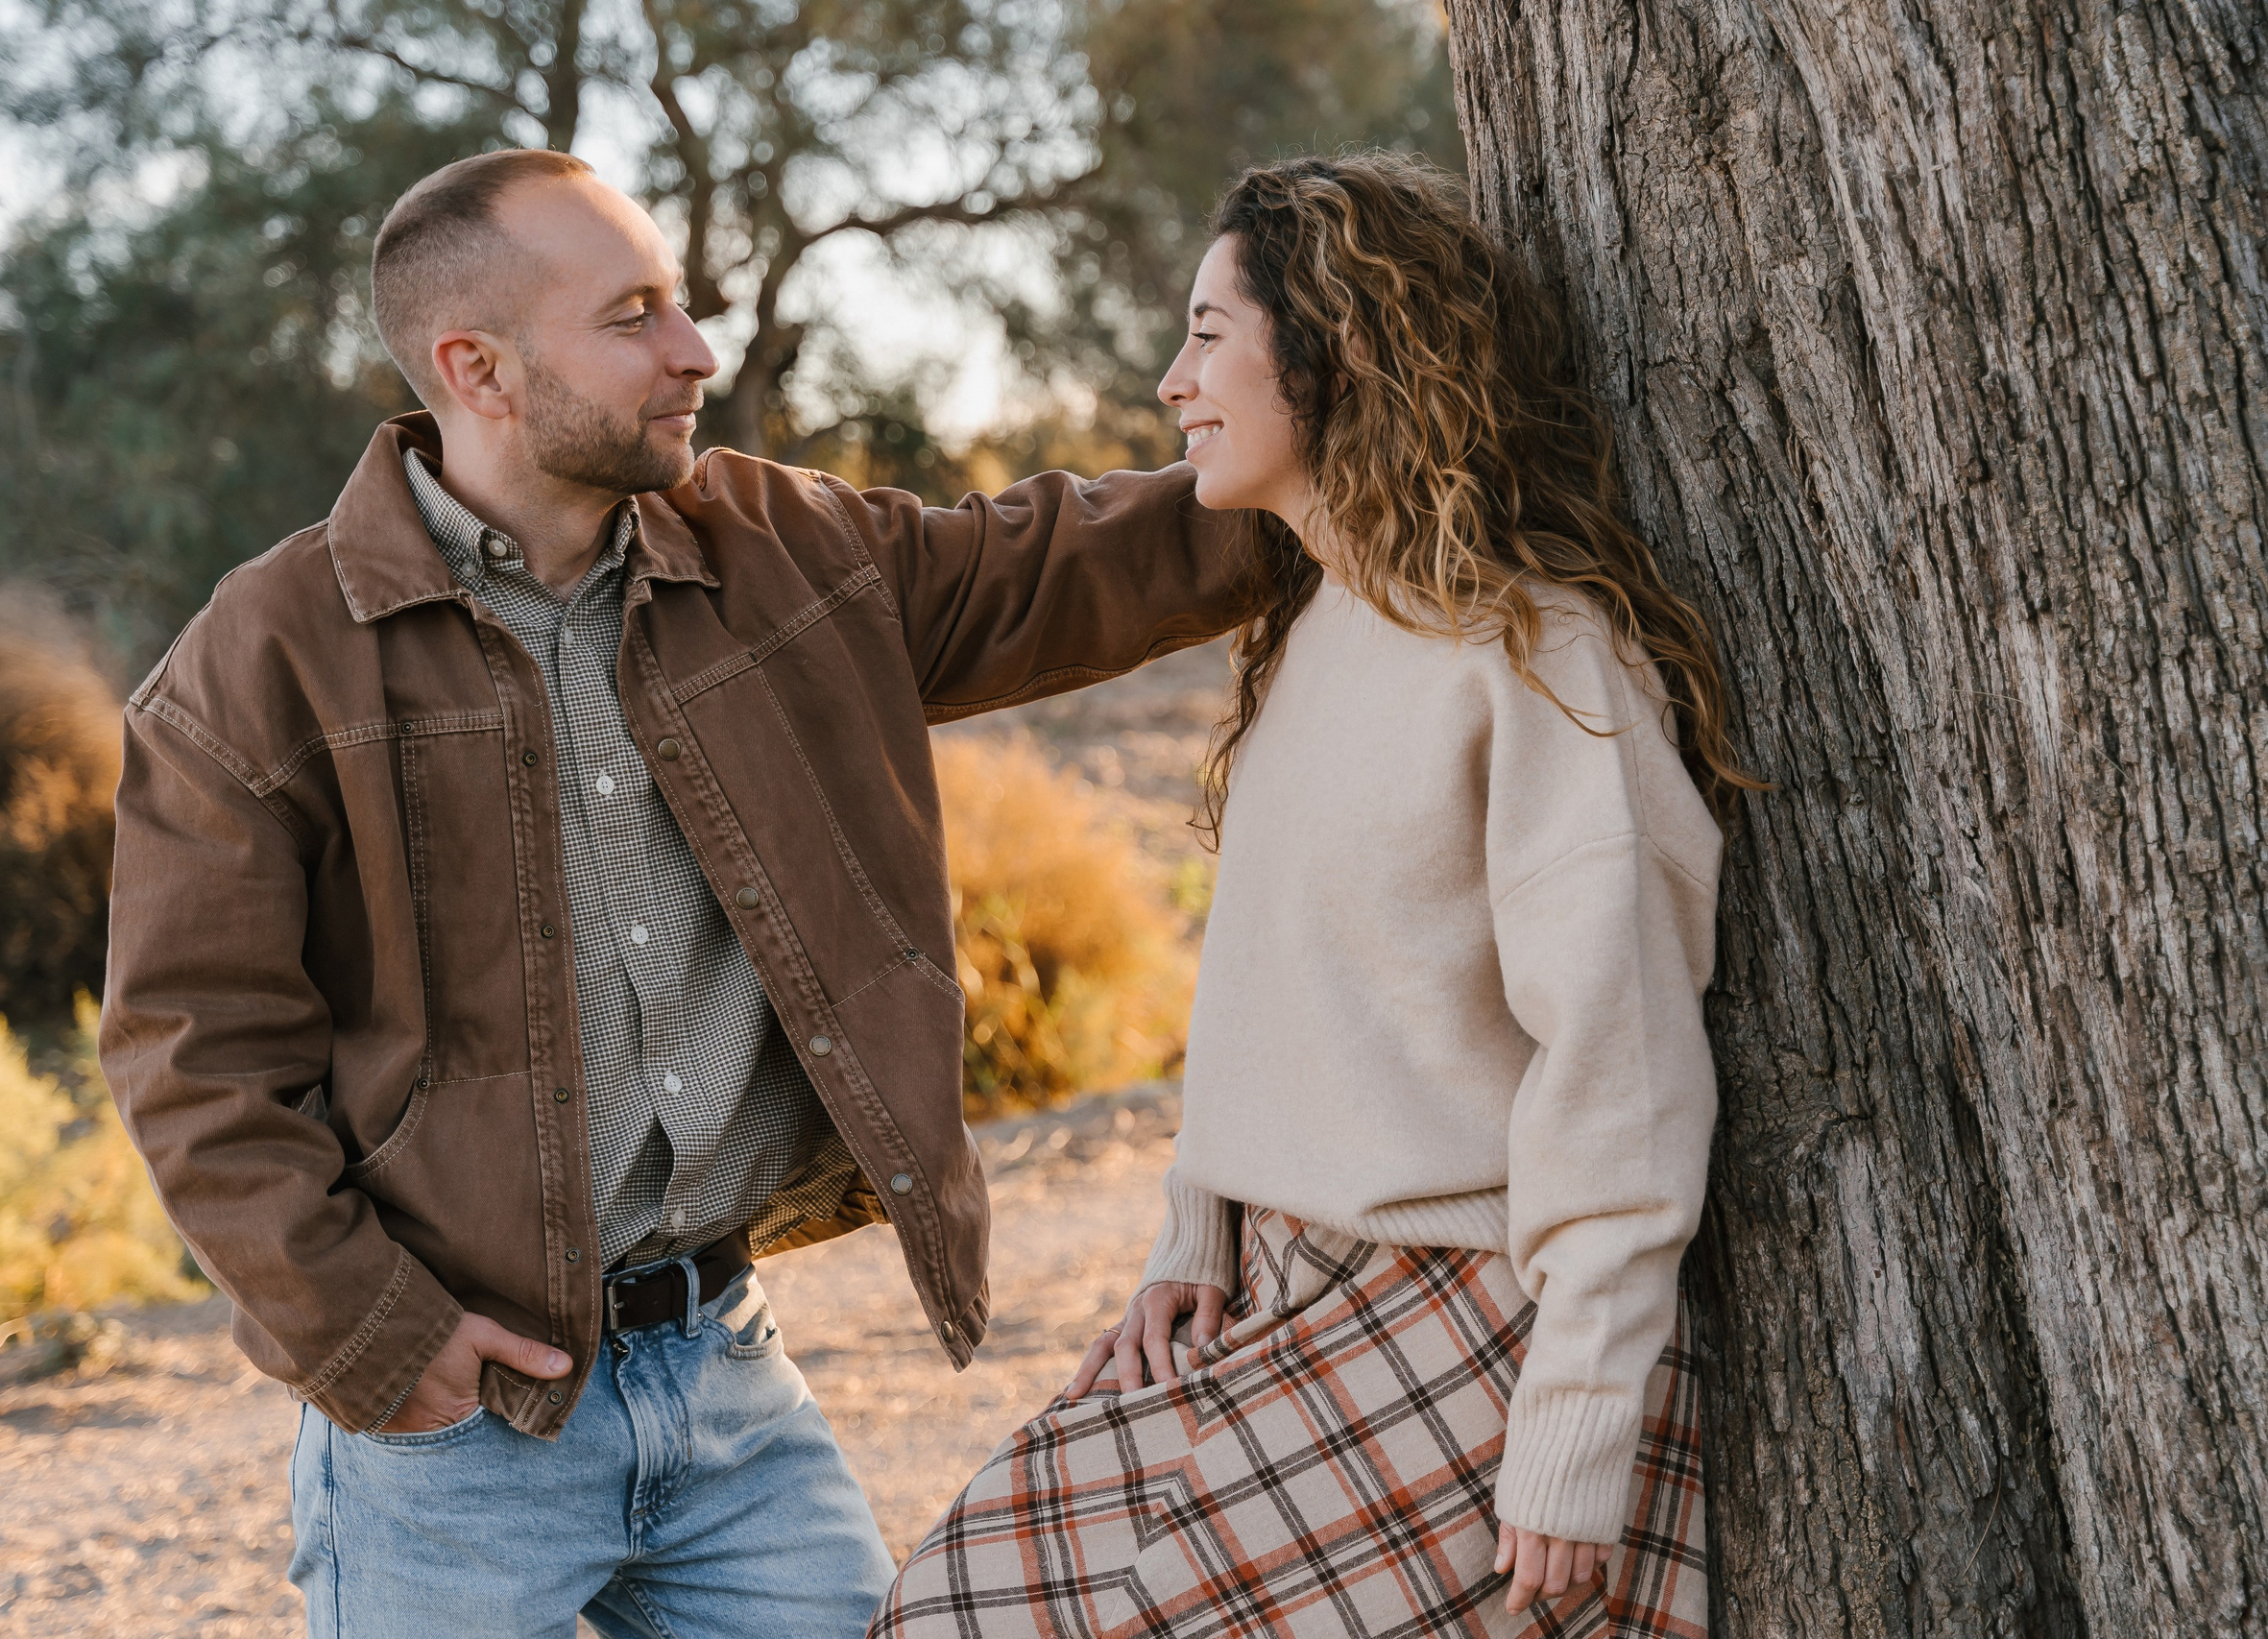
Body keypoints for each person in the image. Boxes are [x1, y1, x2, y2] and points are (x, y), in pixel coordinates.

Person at [98, 148, 1253, 1639]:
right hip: (458, 1437)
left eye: (680, 303)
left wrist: (1336, 464)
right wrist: (375, 1339)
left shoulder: (783, 551)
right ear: (477, 368)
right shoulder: (265, 659)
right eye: (632, 315)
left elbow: (1067, 564)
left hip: (724, 1372)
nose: (696, 349)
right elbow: (194, 1052)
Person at [873, 151, 1758, 1639]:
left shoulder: (1536, 651)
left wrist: (1575, 1429)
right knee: (947, 1599)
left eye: (1210, 334)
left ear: (1334, 350)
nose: (1173, 382)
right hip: (1281, 1282)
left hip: (1477, 1316)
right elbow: (1279, 988)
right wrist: (1196, 1232)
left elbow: (1626, 1067)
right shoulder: (1309, 630)